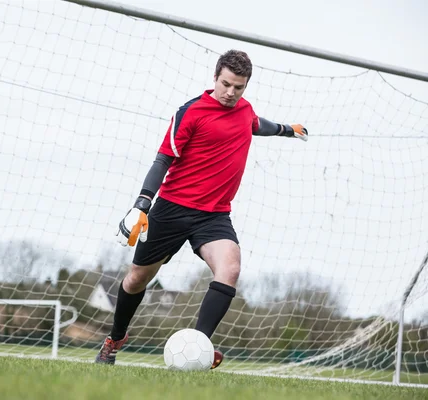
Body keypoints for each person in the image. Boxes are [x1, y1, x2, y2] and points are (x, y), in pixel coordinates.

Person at [94, 50, 308, 369]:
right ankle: (115, 339)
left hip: (214, 215)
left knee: (230, 269)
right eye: (226, 84)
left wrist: (285, 129)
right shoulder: (190, 112)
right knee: (136, 279)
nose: (231, 93)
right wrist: (142, 204)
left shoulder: (244, 109)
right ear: (215, 77)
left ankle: (198, 347)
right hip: (170, 209)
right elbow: (163, 159)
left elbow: (255, 124)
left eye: (239, 87)